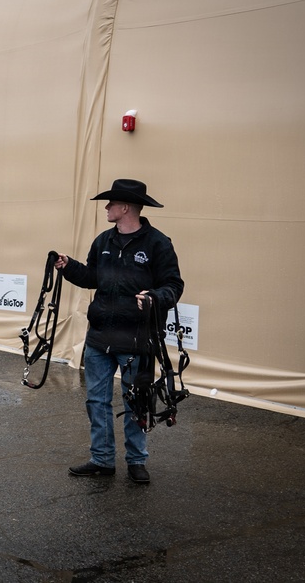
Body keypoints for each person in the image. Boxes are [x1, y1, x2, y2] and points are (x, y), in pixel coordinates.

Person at [55, 179, 184, 484]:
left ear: (125, 208)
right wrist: (68, 266)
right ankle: (102, 460)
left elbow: (174, 285)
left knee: (136, 402)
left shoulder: (158, 243)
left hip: (136, 340)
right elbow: (92, 277)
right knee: (96, 402)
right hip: (99, 338)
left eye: (111, 203)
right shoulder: (103, 241)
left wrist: (155, 297)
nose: (106, 208)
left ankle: (136, 461)